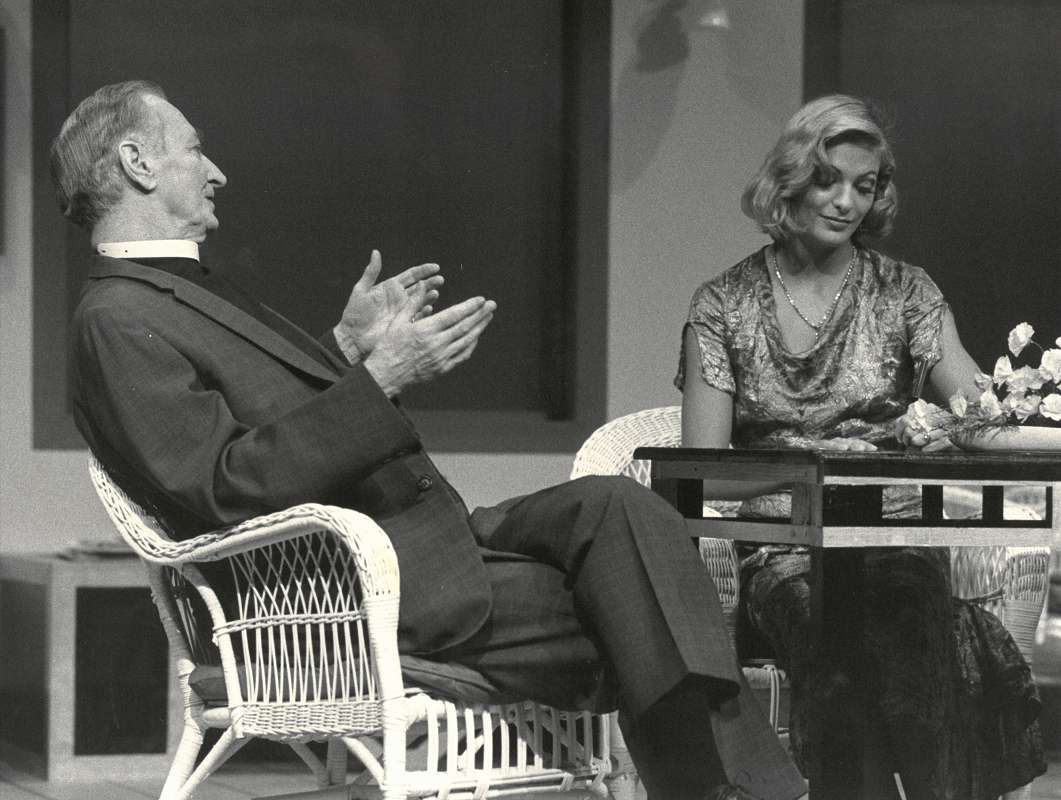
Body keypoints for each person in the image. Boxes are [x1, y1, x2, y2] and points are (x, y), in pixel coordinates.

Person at [53, 80, 807, 800]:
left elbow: (266, 427)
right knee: (645, 603)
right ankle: (733, 790)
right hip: (347, 596)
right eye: (194, 148)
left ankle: (725, 787)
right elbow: (224, 487)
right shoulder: (117, 319)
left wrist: (346, 352)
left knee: (619, 507)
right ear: (137, 162)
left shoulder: (179, 291)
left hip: (430, 540)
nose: (215, 171)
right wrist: (378, 379)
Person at [677, 94, 1045, 799]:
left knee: (907, 617)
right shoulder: (722, 304)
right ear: (789, 181)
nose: (846, 201)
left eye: (864, 184)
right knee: (836, 637)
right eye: (827, 180)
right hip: (784, 551)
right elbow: (703, 476)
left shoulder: (906, 293)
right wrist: (816, 480)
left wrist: (1021, 415)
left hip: (894, 541)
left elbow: (977, 416)